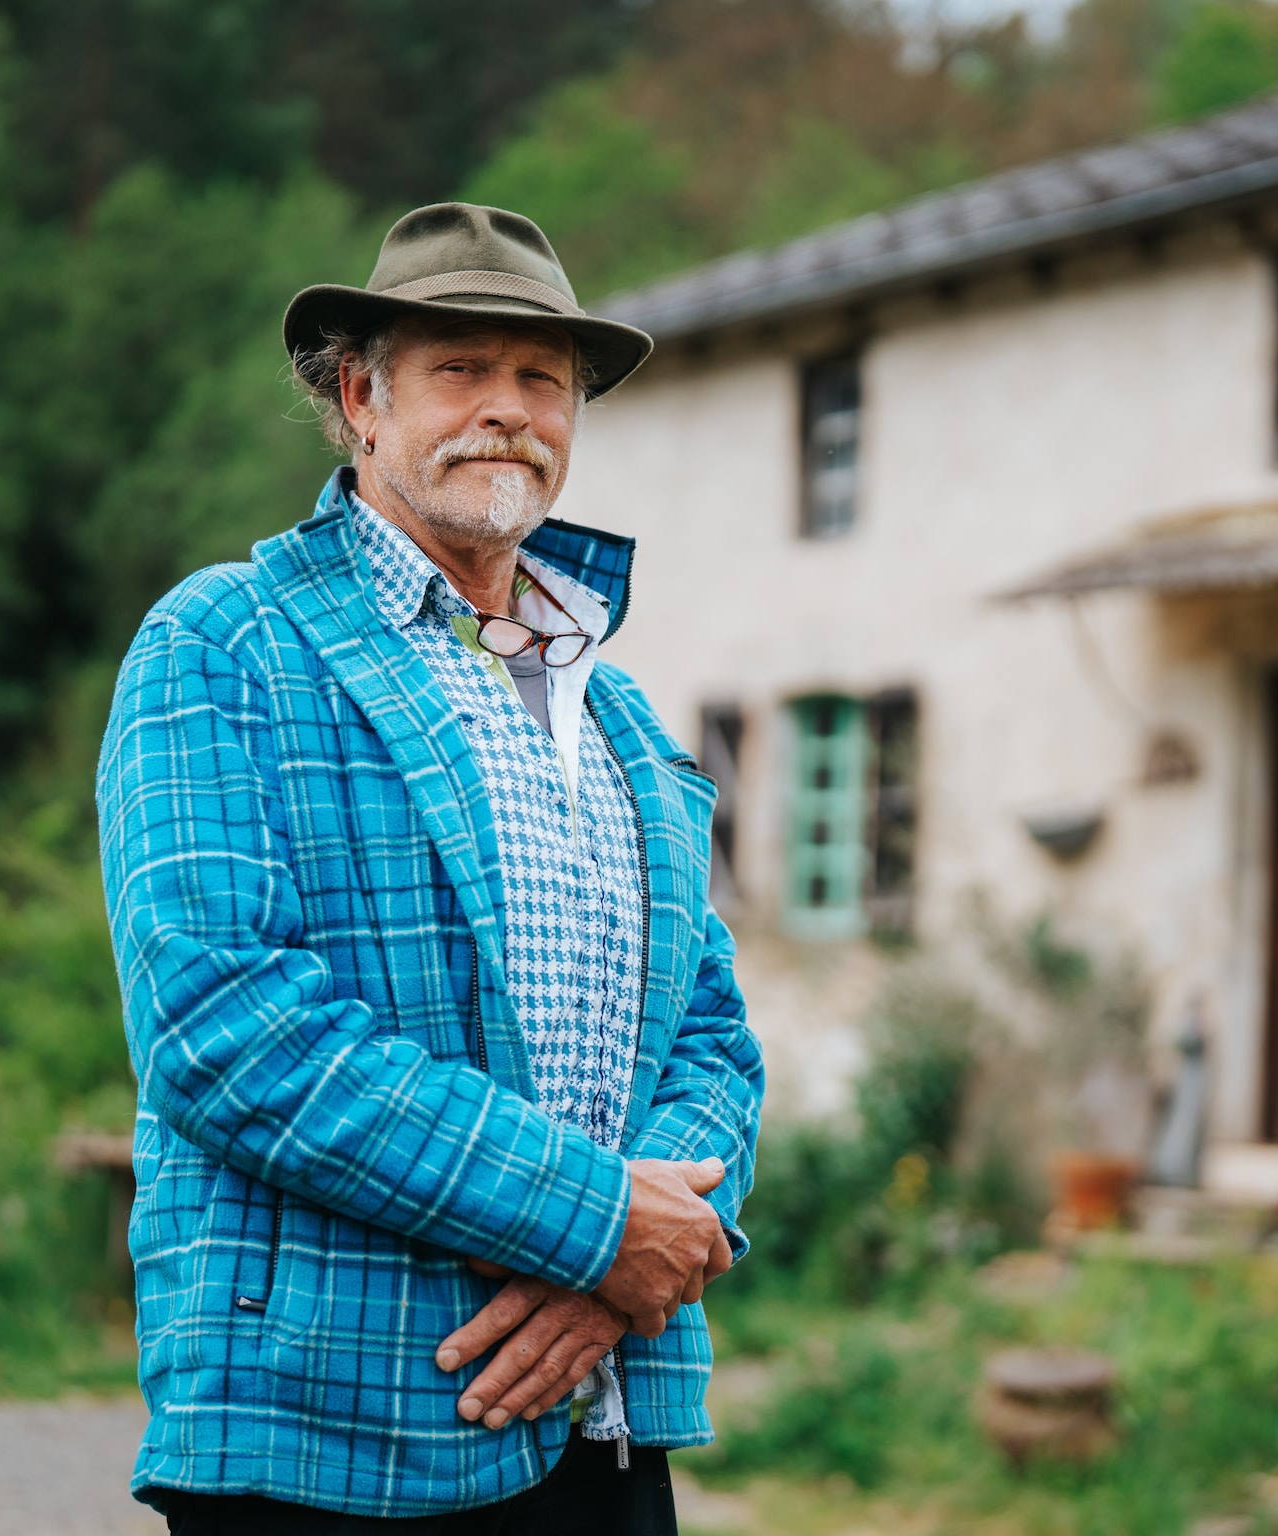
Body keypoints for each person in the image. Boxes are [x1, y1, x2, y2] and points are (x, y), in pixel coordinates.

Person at [97, 202, 763, 1534]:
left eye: (540, 378)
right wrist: (591, 1224)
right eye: (460, 368)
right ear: (360, 399)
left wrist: (627, 1268)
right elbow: (223, 1026)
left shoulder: (620, 716)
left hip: (603, 1411)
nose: (505, 409)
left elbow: (715, 1039)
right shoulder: (226, 643)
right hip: (325, 1429)